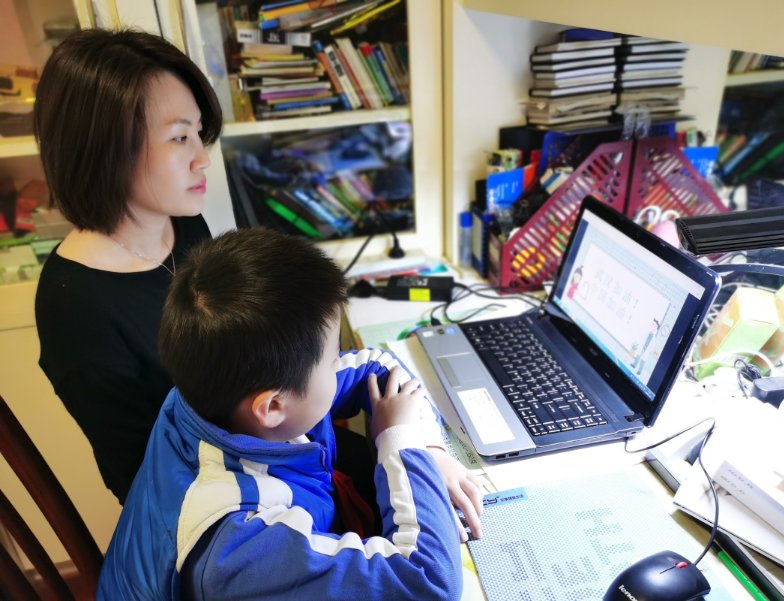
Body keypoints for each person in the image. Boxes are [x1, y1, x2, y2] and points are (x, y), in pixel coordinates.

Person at [96, 229, 484, 600]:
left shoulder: (210, 390)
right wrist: (400, 440)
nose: (339, 364)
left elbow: (379, 367)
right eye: (331, 359)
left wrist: (432, 452)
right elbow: (430, 582)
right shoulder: (239, 543)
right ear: (272, 407)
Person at [32, 29, 223, 503]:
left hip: (262, 447)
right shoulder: (75, 306)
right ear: (104, 147)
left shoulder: (184, 225)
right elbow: (141, 477)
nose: (202, 159)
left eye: (198, 133)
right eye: (179, 137)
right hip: (208, 510)